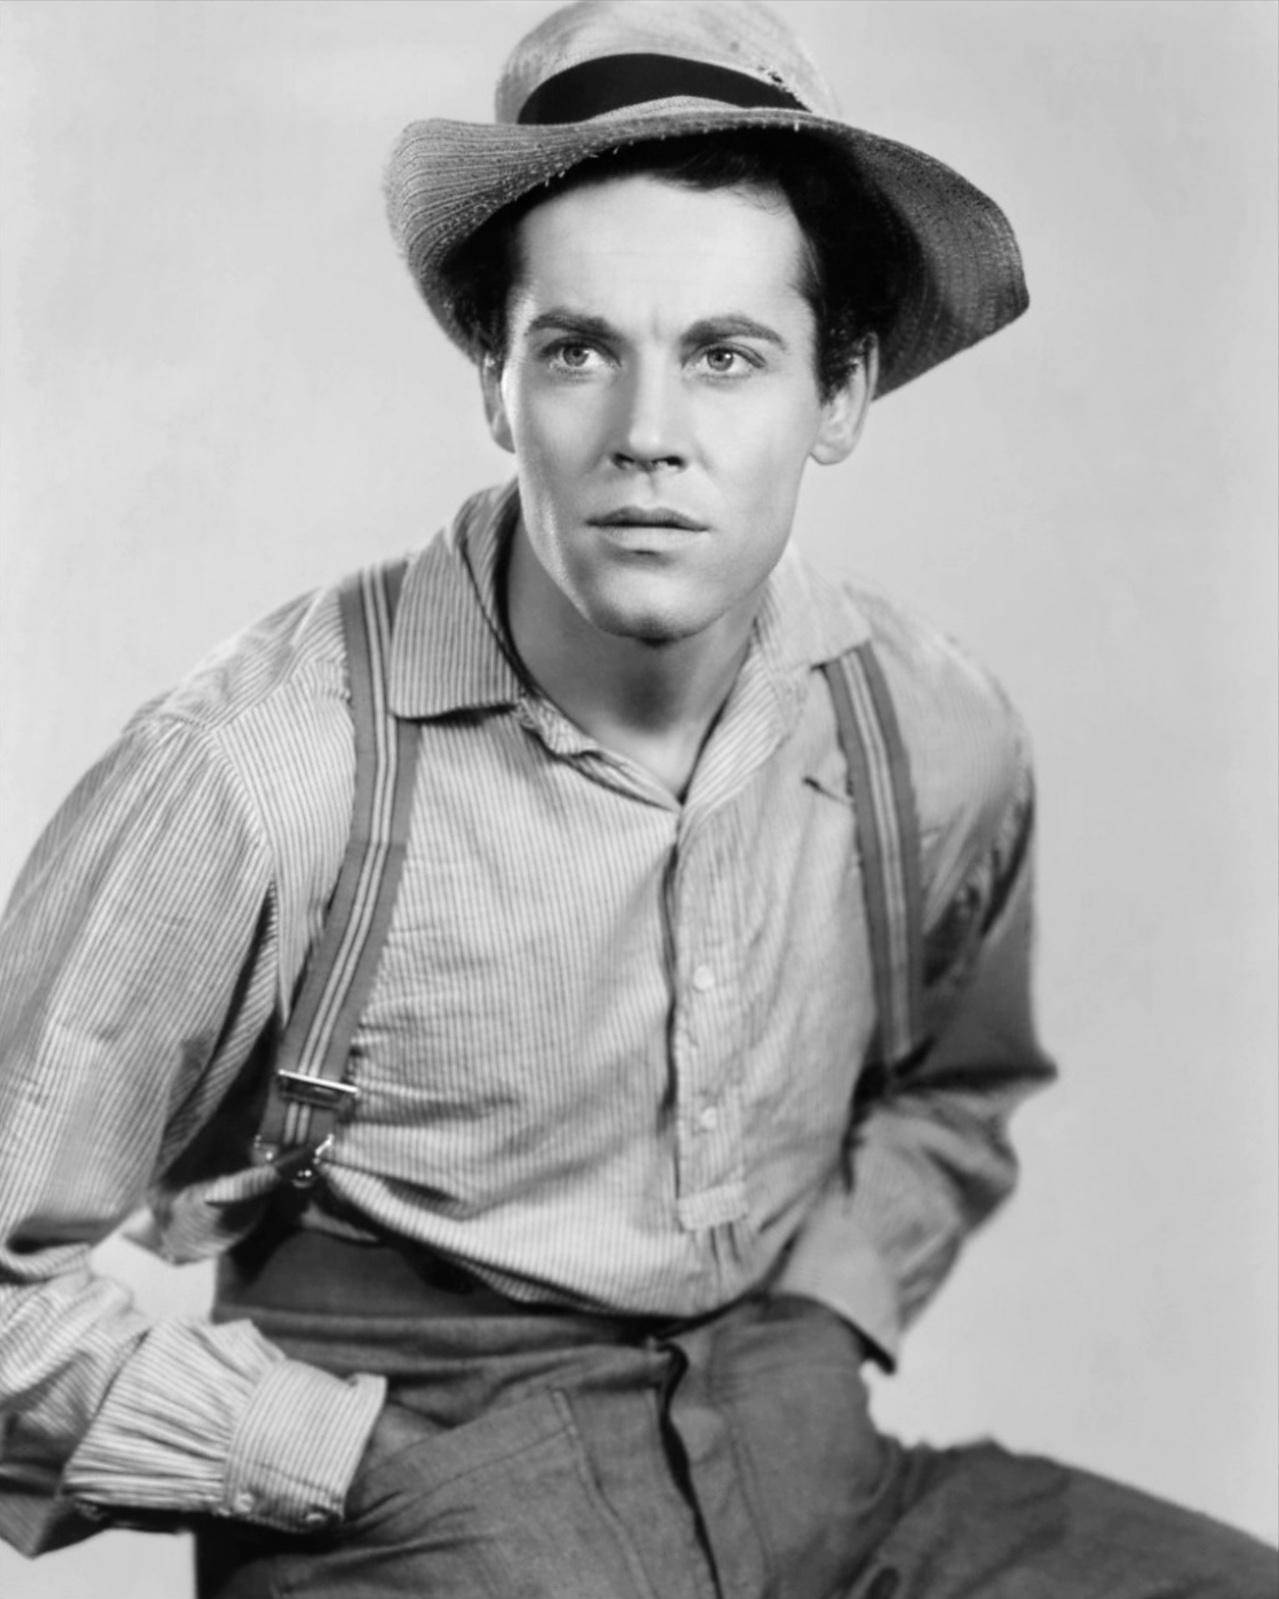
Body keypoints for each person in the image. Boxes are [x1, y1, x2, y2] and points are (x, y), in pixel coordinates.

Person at [0, 2, 1273, 1595]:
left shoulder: (923, 729)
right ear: (495, 382)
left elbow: (956, 1090)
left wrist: (822, 1316)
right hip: (425, 1483)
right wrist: (311, 1455)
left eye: (727, 356)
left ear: (843, 394)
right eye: (580, 349)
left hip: (793, 1442)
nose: (648, 438)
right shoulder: (266, 767)